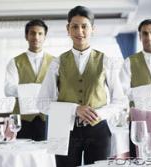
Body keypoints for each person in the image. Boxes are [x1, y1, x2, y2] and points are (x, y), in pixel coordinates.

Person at [38, 6, 126, 167]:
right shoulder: (56, 63)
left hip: (98, 129)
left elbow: (120, 101)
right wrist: (74, 109)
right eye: (75, 26)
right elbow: (42, 103)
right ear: (68, 29)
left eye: (84, 26)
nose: (80, 31)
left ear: (93, 29)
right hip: (61, 128)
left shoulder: (107, 61)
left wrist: (98, 113)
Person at [4, 19, 54, 141]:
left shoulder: (56, 62)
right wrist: (39, 88)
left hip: (47, 117)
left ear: (45, 37)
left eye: (40, 33)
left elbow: (59, 89)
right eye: (32, 33)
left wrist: (27, 89)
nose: (36, 37)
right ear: (26, 36)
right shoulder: (14, 62)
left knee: (47, 156)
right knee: (21, 155)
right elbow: (8, 90)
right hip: (21, 120)